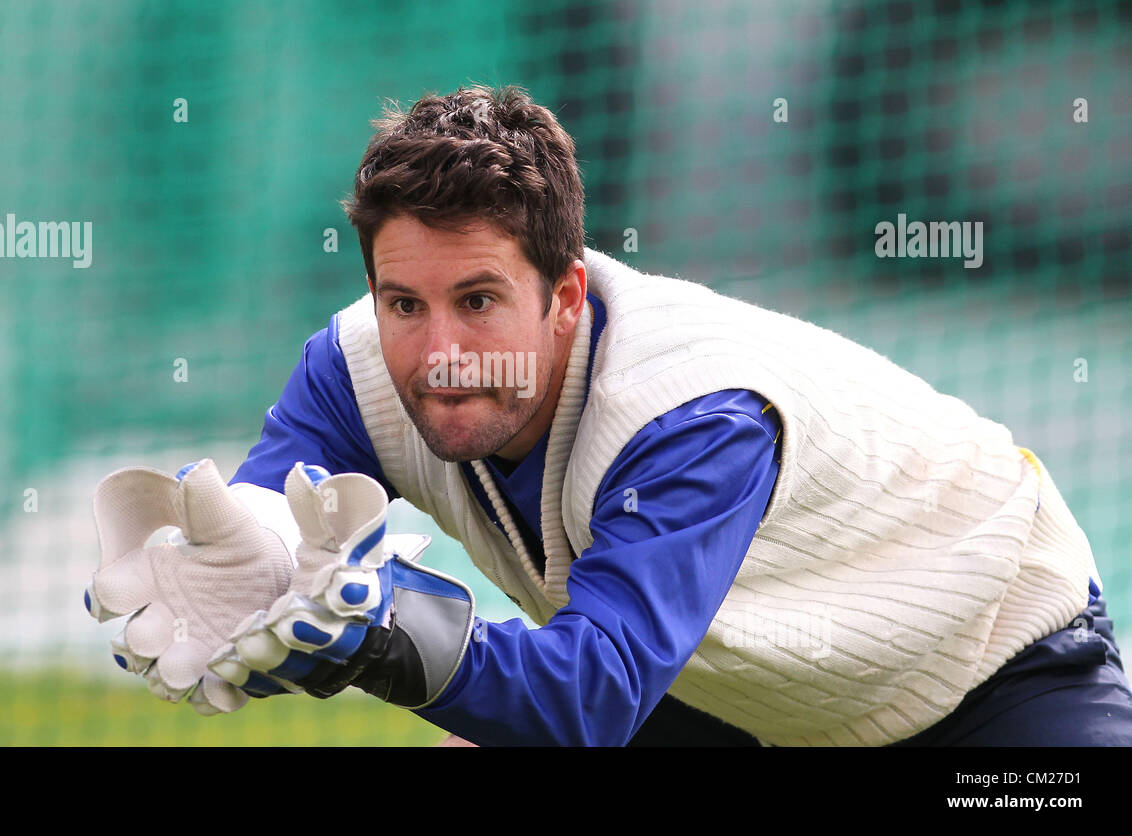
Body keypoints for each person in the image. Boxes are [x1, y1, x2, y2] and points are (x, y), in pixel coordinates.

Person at [87, 84, 1132, 746]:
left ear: (567, 298)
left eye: (480, 299)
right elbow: (277, 529)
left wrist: (384, 626)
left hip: (989, 673)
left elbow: (589, 696)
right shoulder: (354, 364)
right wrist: (262, 580)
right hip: (741, 692)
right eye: (405, 302)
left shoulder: (690, 416)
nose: (440, 351)